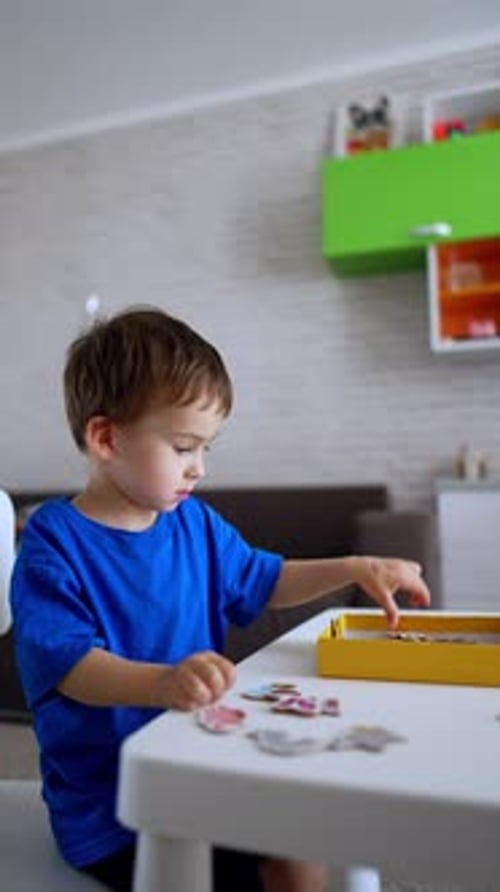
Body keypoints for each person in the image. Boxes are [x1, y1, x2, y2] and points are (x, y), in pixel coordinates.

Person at [10, 307, 431, 892]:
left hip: (203, 763)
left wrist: (355, 568)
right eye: (183, 446)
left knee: (302, 843)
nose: (199, 467)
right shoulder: (53, 542)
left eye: (206, 447)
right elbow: (70, 666)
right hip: (116, 808)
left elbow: (267, 579)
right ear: (105, 437)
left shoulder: (195, 524)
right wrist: (162, 682)